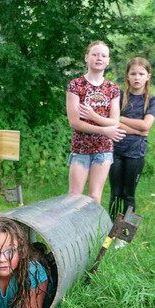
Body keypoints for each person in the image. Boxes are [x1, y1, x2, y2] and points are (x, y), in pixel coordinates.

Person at [66, 41, 126, 203]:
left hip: (103, 149)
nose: (99, 58)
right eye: (95, 54)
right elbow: (75, 122)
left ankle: (93, 229)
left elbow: (114, 121)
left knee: (94, 196)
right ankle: (72, 228)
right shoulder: (75, 85)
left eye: (103, 55)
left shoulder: (112, 88)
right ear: (87, 57)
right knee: (74, 195)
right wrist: (104, 130)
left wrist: (93, 116)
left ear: (108, 61)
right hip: (80, 148)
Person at [109, 57, 155, 220]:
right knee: (115, 193)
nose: (137, 77)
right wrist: (135, 130)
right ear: (127, 76)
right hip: (115, 150)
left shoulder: (151, 100)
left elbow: (146, 126)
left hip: (136, 153)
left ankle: (124, 233)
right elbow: (112, 120)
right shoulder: (119, 96)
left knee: (128, 193)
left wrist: (120, 119)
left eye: (141, 73)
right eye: (133, 73)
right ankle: (110, 229)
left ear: (148, 76)